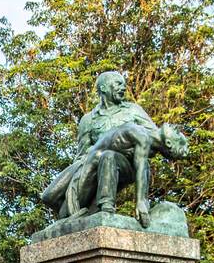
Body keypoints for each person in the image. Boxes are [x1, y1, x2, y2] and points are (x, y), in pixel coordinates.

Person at [41, 70, 157, 219]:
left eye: (124, 85)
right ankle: (76, 215)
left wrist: (131, 148)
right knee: (49, 196)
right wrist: (81, 172)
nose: (123, 88)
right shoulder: (88, 120)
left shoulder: (133, 110)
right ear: (103, 88)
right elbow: (82, 153)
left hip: (128, 164)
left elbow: (153, 140)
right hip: (93, 161)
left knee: (108, 156)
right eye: (118, 84)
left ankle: (106, 208)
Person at [64, 121, 189, 227]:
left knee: (113, 157)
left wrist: (142, 202)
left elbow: (141, 167)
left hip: (109, 167)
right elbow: (139, 167)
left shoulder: (149, 143)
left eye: (178, 135)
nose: (176, 129)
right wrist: (140, 202)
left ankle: (106, 206)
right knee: (54, 202)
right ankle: (103, 207)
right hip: (90, 170)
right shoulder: (142, 135)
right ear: (168, 143)